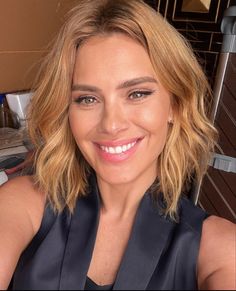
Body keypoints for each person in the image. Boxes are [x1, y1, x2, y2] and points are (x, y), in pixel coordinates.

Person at [0, 0, 235, 290]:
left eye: (137, 93)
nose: (111, 124)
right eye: (88, 99)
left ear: (175, 104)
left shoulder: (220, 249)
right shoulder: (22, 203)